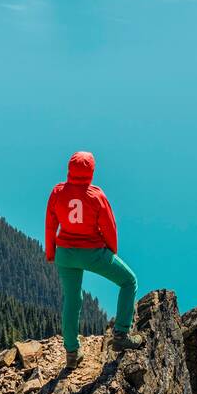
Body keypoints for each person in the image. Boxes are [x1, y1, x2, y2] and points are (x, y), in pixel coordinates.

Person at [45, 150, 143, 368]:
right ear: (91, 171)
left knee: (72, 299)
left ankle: (71, 353)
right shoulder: (96, 195)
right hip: (93, 253)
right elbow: (109, 226)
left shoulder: (57, 192)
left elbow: (51, 224)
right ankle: (121, 335)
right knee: (129, 281)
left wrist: (51, 252)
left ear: (70, 168)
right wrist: (111, 252)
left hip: (66, 254)